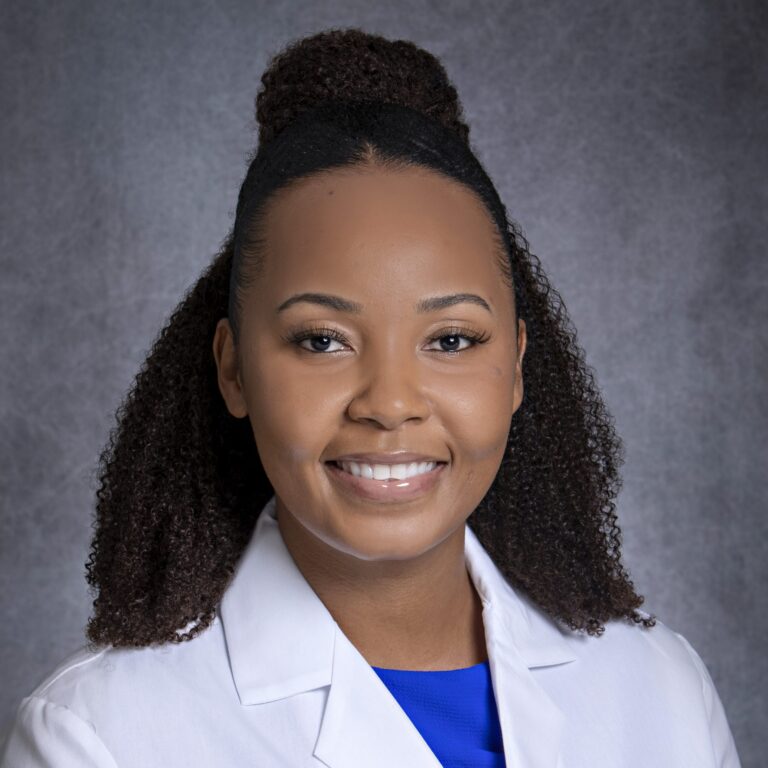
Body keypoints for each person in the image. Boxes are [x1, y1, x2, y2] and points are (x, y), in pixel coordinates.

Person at [0, 27, 741, 768]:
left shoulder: (660, 690)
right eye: (323, 340)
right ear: (233, 371)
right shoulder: (98, 736)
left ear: (517, 366)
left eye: (452, 339)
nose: (389, 404)